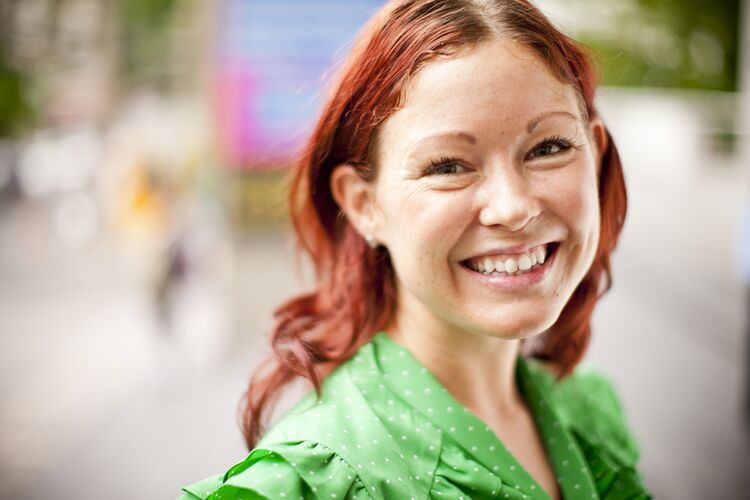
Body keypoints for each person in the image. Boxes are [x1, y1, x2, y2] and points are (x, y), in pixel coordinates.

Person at [180, 0, 652, 498]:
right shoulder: (315, 481)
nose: (513, 208)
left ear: (596, 154)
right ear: (363, 205)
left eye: (548, 147)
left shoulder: (587, 410)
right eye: (448, 166)